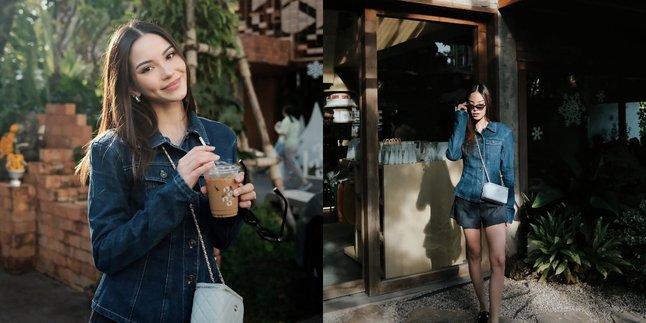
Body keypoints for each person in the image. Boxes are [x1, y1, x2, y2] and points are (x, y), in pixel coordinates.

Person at [75, 20, 256, 322]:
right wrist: (177, 189)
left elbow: (221, 240)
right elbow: (106, 253)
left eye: (170, 55)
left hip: (198, 312)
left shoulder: (220, 138)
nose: (169, 71)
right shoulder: (112, 148)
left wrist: (236, 208)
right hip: (129, 313)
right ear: (132, 86)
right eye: (148, 68)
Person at [445, 84, 515, 323]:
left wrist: (509, 208)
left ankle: (494, 319)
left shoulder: (503, 133)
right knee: (474, 254)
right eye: (471, 105)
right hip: (467, 200)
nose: (475, 110)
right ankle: (483, 308)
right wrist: (458, 116)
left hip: (494, 202)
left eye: (479, 106)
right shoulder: (464, 131)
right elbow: (452, 154)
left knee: (498, 259)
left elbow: (508, 173)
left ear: (488, 104)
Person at [274, 104, 312, 191]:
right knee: (287, 164)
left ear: (284, 112)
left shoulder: (286, 120)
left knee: (293, 164)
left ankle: (305, 182)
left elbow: (282, 133)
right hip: (295, 145)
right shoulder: (296, 121)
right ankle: (283, 184)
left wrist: (276, 128)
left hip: (288, 145)